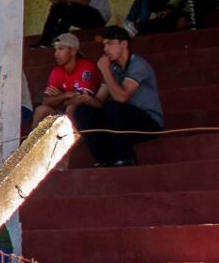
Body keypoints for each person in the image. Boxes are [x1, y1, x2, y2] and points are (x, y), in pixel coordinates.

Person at [70, 25, 165, 167]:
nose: (105, 49)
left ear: (124, 44)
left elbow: (121, 97)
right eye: (104, 45)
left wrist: (105, 71)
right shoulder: (113, 68)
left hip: (148, 122)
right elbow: (100, 102)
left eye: (110, 43)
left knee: (113, 108)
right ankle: (103, 159)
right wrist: (86, 99)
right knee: (83, 112)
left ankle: (127, 158)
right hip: (122, 121)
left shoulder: (138, 65)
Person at [34, 31, 101, 125]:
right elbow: (45, 101)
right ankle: (30, 140)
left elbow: (80, 100)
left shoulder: (87, 67)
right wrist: (65, 95)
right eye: (55, 50)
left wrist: (58, 99)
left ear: (73, 51)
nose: (56, 54)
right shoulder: (56, 71)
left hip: (87, 114)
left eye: (61, 49)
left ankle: (73, 139)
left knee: (71, 107)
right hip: (63, 112)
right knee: (40, 110)